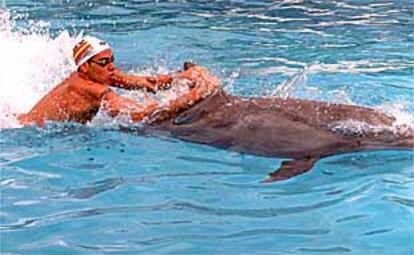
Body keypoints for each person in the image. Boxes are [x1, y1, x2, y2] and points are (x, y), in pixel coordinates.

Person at [17, 36, 218, 127]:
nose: (111, 67)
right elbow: (143, 116)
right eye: (104, 62)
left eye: (112, 60)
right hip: (21, 130)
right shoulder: (89, 89)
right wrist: (196, 95)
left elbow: (148, 82)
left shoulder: (101, 73)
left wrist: (184, 77)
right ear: (84, 67)